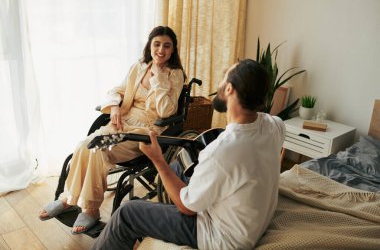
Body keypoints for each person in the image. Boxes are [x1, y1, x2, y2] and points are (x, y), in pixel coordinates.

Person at [91, 58, 286, 250]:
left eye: (224, 76)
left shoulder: (222, 151)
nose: (221, 81)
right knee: (177, 168)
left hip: (221, 237)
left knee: (127, 213)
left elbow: (187, 207)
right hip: (248, 221)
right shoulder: (275, 125)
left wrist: (158, 160)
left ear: (229, 89)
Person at [38, 26, 185, 234]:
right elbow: (117, 90)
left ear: (172, 50)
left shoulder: (175, 74)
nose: (161, 50)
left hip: (146, 131)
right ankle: (68, 199)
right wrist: (115, 106)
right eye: (157, 44)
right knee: (84, 146)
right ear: (150, 46)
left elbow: (166, 110)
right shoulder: (140, 67)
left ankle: (91, 209)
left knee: (100, 152)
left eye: (166, 46)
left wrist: (159, 78)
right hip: (121, 122)